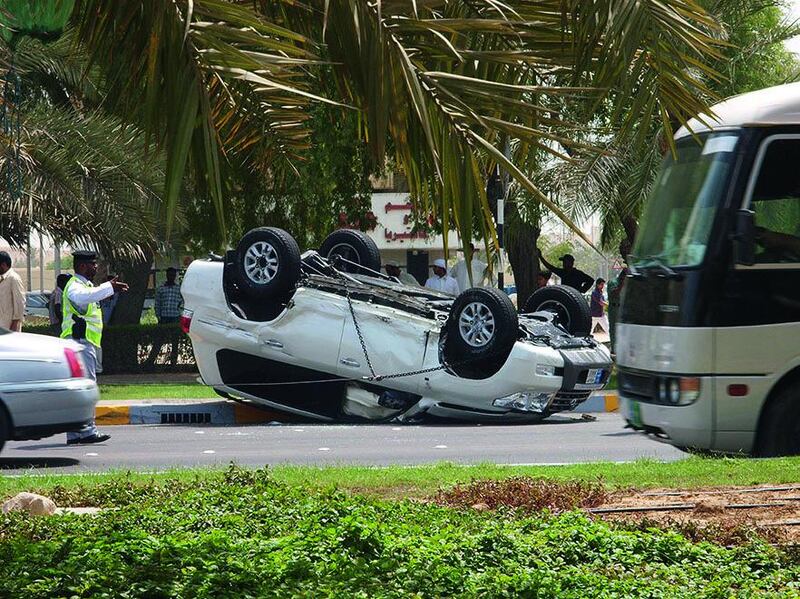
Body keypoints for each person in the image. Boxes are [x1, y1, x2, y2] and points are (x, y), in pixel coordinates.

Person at [62, 249, 128, 445]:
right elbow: (82, 297)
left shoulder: (86, 285)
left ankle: (74, 434)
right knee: (87, 387)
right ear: (82, 266)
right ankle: (88, 431)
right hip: (79, 343)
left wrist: (106, 289)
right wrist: (108, 287)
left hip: (81, 342)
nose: (96, 267)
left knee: (78, 390)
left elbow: (89, 296)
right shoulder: (74, 286)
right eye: (93, 264)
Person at [0, 251, 25, 332]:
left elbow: (20, 303)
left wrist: (14, 326)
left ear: (3, 265)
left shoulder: (13, 278)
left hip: (9, 328)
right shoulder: (2, 279)